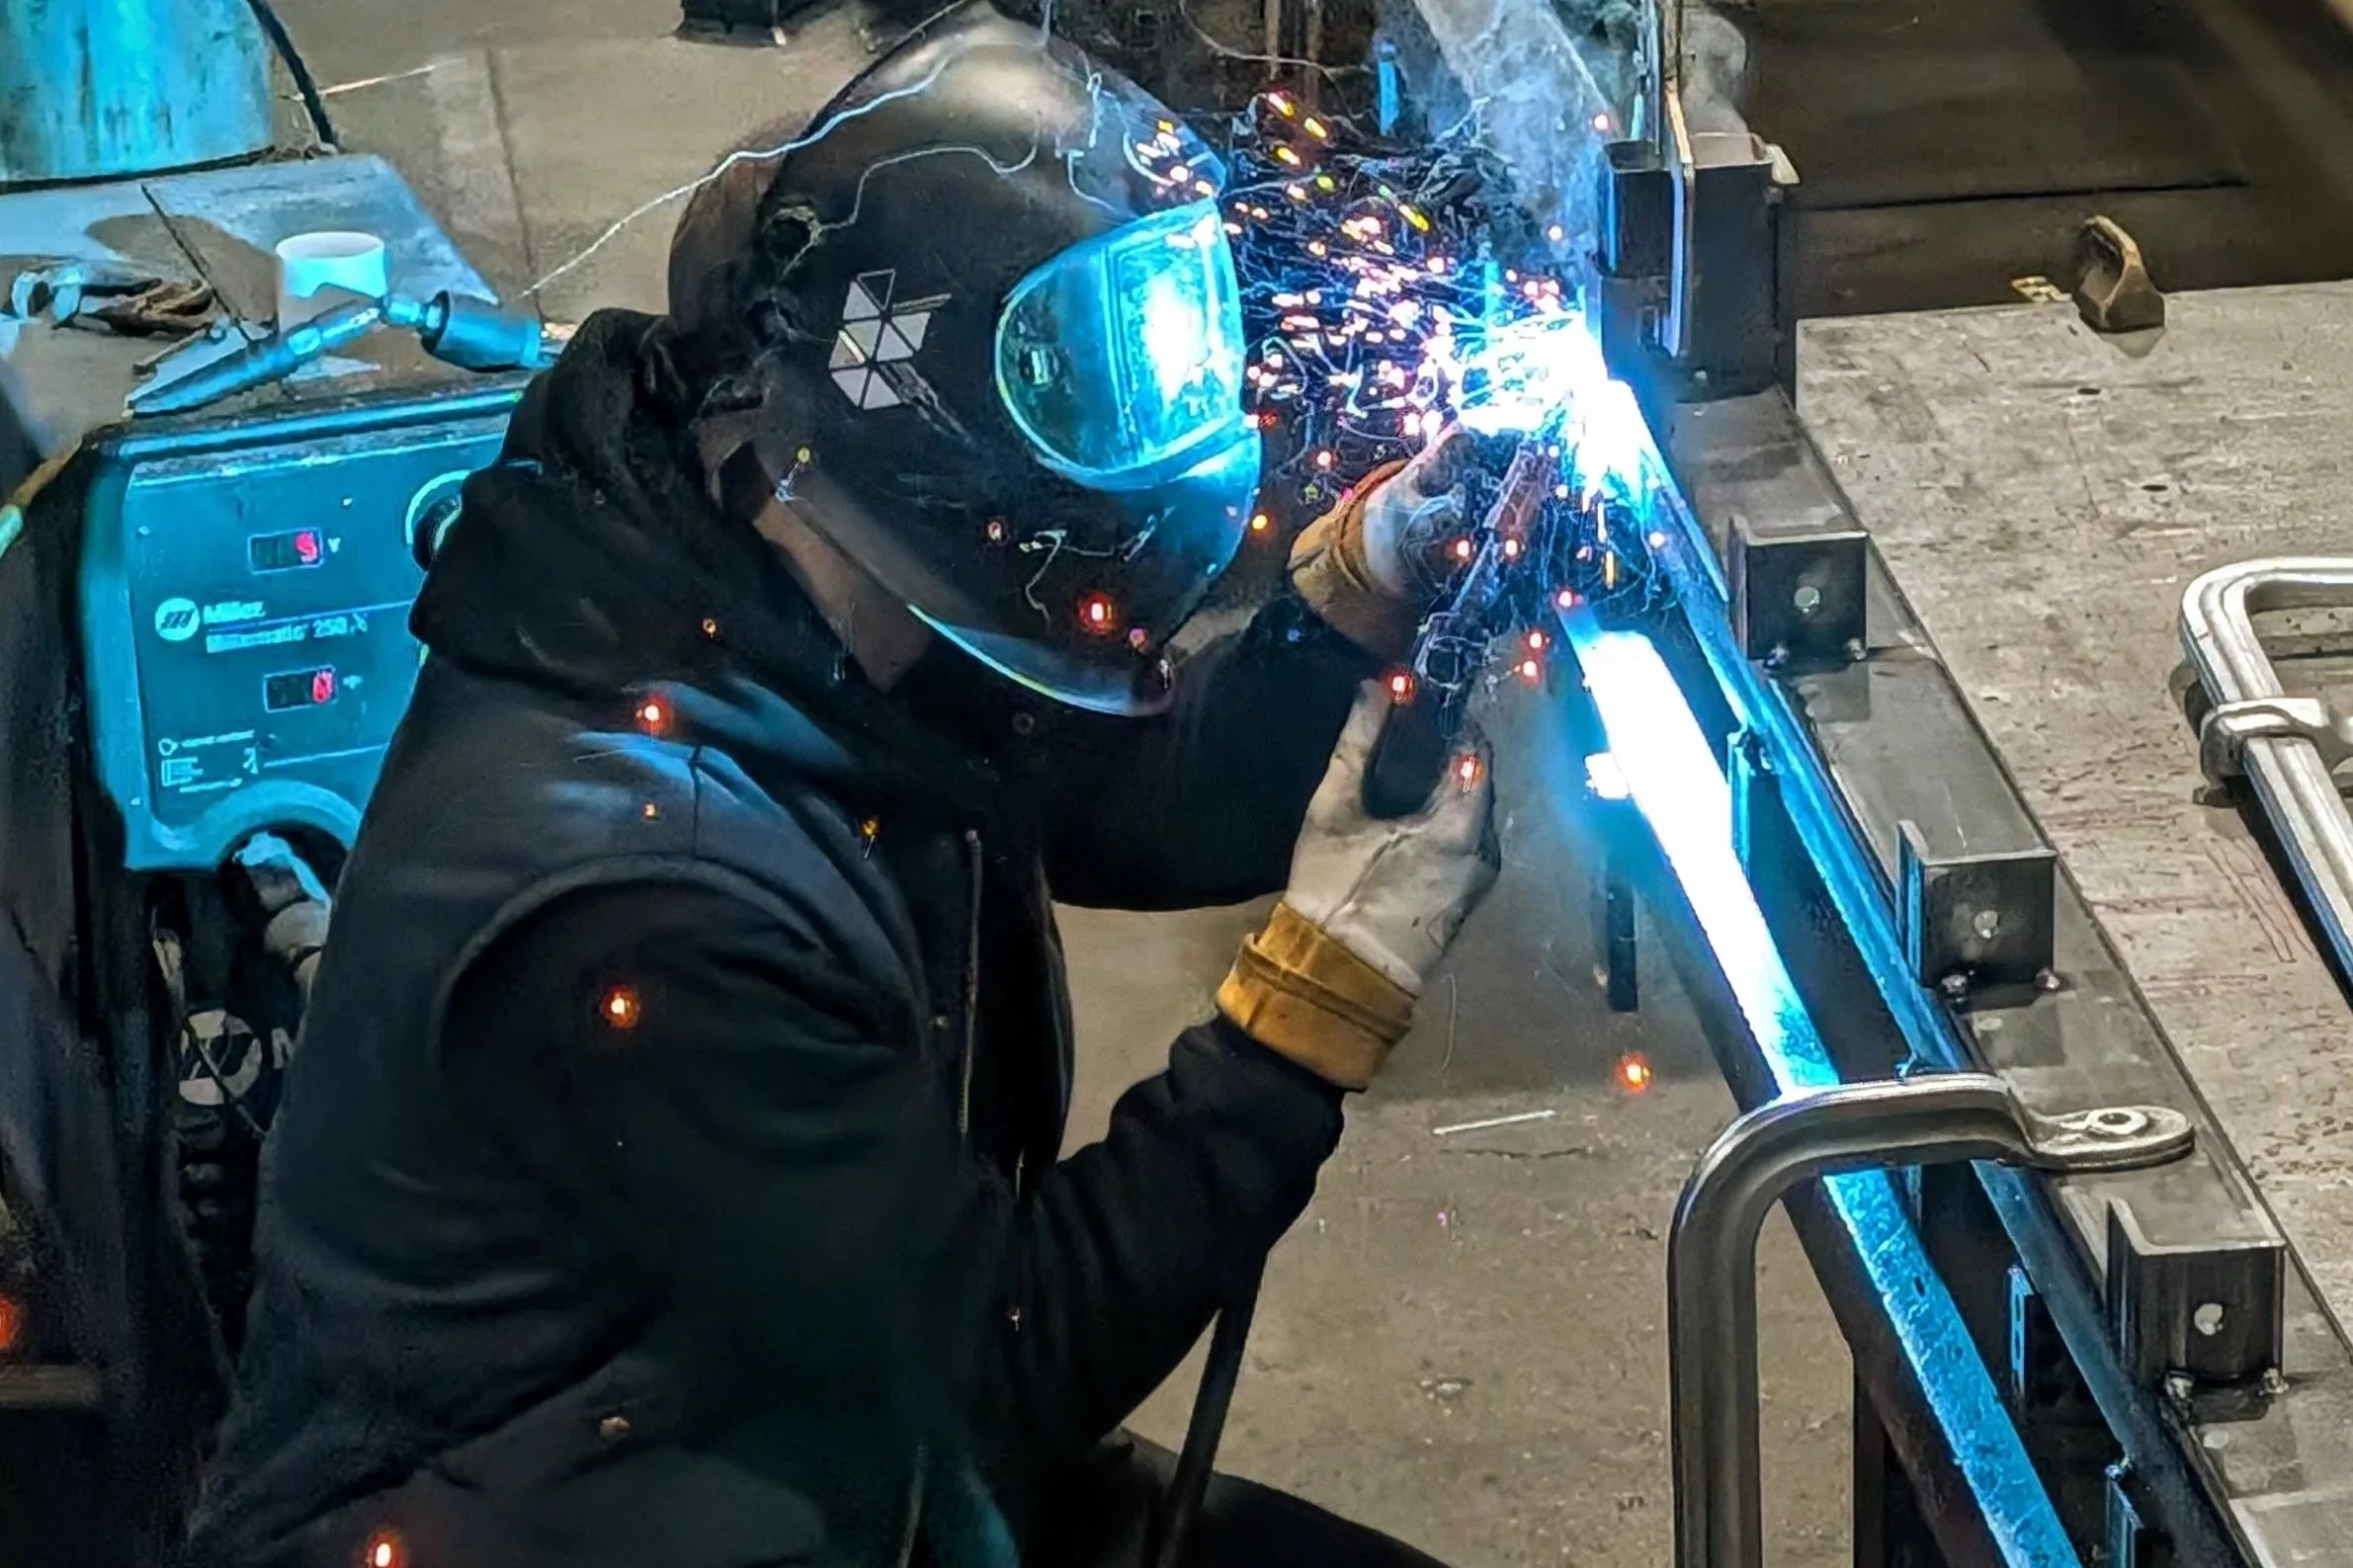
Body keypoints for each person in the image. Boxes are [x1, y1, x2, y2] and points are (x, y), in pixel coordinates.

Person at [184, 5, 1501, 1564]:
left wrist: (1343, 607)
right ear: (943, 430)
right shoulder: (645, 892)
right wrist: (1307, 1014)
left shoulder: (800, 581)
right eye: (1082, 380)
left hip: (762, 1435)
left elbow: (1121, 796)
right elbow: (996, 1368)